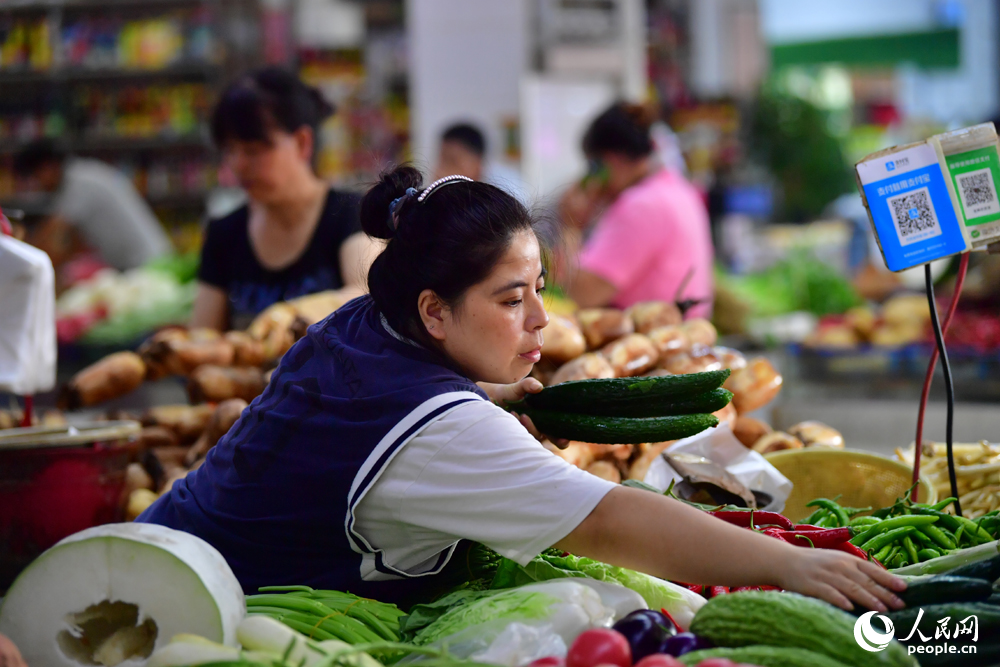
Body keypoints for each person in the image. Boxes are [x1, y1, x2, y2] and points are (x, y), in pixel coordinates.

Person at [138, 165, 906, 613]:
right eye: (511, 300)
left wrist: (487, 391)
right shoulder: (440, 428)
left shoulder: (355, 322)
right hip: (184, 618)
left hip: (153, 554)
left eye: (541, 287)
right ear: (433, 310)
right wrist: (788, 565)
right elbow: (608, 519)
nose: (542, 318)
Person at [191, 67, 381, 331]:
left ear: (303, 142)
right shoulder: (224, 233)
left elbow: (367, 297)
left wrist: (285, 316)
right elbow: (202, 337)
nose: (238, 164)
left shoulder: (352, 213)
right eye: (230, 150)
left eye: (253, 150)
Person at [559, 102, 714, 316]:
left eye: (594, 168)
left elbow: (585, 293)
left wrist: (570, 225)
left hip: (652, 340)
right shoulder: (677, 188)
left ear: (611, 161)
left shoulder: (640, 205)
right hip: (683, 333)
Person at [13, 140, 171, 271]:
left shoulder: (79, 183)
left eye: (36, 177)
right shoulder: (80, 177)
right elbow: (71, 243)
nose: (37, 185)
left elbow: (52, 233)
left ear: (48, 167)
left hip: (147, 266)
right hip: (138, 265)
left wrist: (22, 262)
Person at [434, 122, 530, 204]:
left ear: (477, 159)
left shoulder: (507, 188)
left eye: (452, 162)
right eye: (442, 161)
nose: (440, 172)